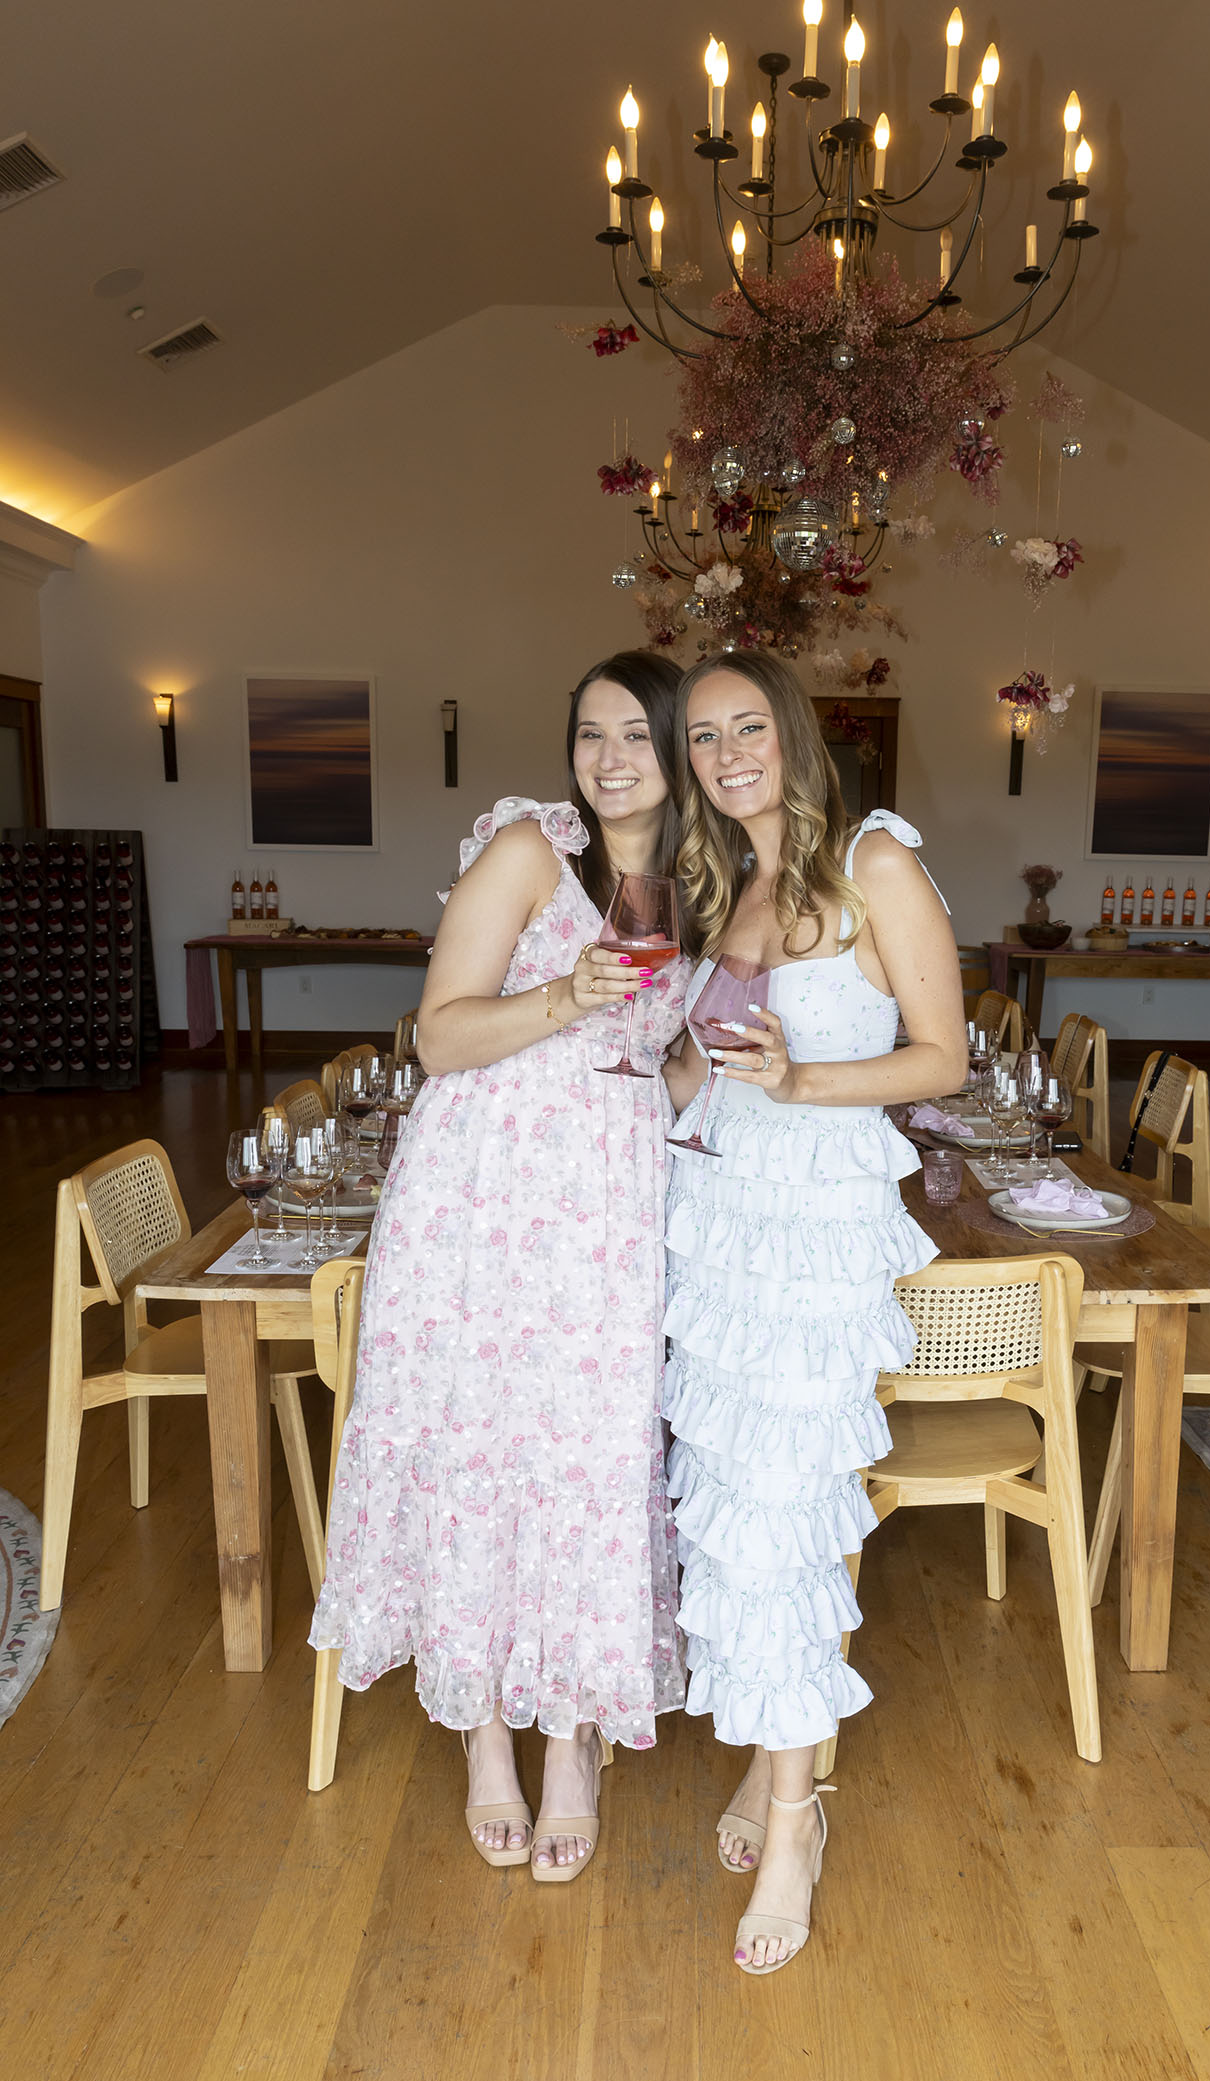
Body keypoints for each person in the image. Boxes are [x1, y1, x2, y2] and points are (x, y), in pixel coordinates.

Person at [310, 650, 693, 1881]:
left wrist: (722, 1066)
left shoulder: (703, 877)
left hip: (610, 1210)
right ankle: (484, 1733)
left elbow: (667, 1053)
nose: (611, 758)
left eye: (637, 734)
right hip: (480, 1199)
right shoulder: (531, 850)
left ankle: (573, 1741)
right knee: (474, 1445)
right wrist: (569, 996)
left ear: (680, 747)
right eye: (591, 734)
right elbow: (439, 1033)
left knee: (588, 1457)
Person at [663, 650, 966, 1972]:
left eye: (748, 726)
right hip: (723, 1222)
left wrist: (802, 1080)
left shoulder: (874, 862)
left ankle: (796, 1819)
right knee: (736, 1505)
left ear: (792, 733)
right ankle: (770, 1758)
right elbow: (699, 1070)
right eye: (703, 737)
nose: (727, 753)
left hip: (818, 1224)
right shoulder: (718, 884)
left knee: (787, 1503)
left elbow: (941, 1058)